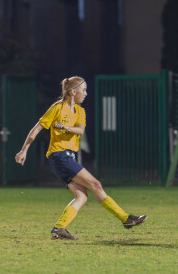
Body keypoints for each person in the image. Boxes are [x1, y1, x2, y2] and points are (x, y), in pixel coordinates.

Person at [15, 76, 147, 240]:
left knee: (82, 196)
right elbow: (36, 129)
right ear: (73, 91)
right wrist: (23, 150)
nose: (86, 93)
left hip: (67, 158)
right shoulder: (57, 108)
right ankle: (125, 219)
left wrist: (65, 127)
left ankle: (59, 228)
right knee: (95, 184)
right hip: (59, 156)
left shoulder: (80, 111)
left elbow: (80, 131)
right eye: (83, 90)